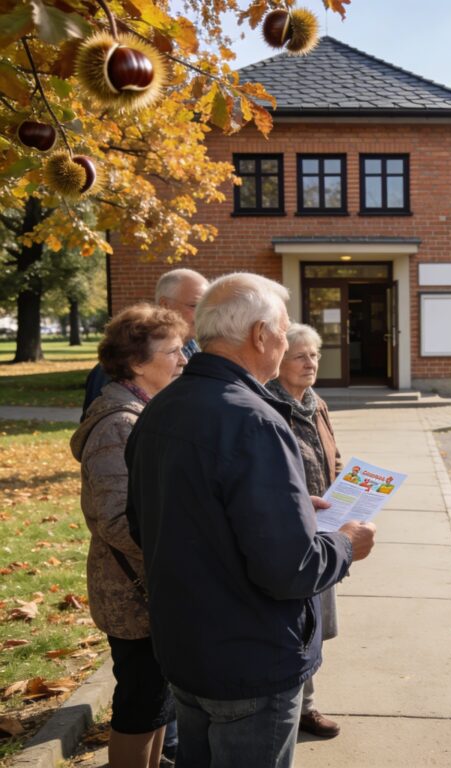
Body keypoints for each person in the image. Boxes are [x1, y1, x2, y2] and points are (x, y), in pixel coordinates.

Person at [124, 273, 376, 768]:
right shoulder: (256, 419)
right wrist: (346, 544)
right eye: (284, 332)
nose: (287, 343)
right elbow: (291, 568)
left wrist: (289, 504)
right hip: (249, 657)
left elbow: (148, 522)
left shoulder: (160, 406)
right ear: (260, 335)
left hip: (185, 647)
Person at [71, 304, 188, 768]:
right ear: (138, 362)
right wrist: (186, 553)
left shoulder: (142, 411)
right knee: (140, 702)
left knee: (157, 698)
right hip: (131, 592)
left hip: (149, 588)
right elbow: (118, 522)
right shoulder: (119, 424)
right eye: (175, 351)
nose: (184, 360)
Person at [266, 323, 343, 739]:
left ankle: (303, 707)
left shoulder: (316, 403)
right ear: (279, 360)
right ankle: (296, 709)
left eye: (314, 355)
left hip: (325, 528)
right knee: (296, 624)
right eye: (300, 356)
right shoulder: (267, 406)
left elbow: (332, 455)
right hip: (289, 530)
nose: (310, 363)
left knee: (318, 622)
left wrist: (352, 486)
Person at [81, 268, 208, 418]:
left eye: (207, 306)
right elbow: (100, 422)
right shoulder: (117, 367)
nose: (204, 313)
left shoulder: (199, 355)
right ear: (165, 304)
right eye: (195, 305)